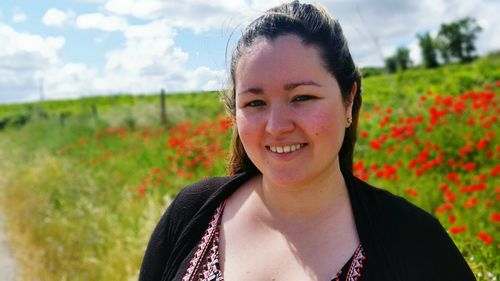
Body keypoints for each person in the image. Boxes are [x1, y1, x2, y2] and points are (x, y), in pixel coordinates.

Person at [139, 1, 476, 280]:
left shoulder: (414, 242)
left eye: (301, 97)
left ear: (348, 101)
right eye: (255, 103)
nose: (276, 126)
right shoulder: (192, 212)